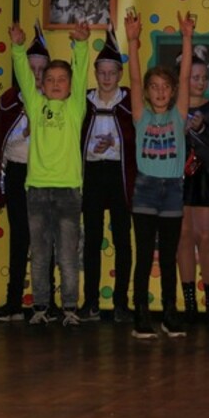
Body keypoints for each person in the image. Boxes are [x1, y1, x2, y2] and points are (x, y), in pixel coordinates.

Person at [8, 20, 90, 328]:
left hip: (68, 190)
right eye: (50, 79)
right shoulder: (36, 104)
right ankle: (41, 307)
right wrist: (18, 48)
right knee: (40, 255)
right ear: (41, 85)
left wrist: (81, 45)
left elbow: (81, 73)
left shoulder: (75, 108)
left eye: (62, 80)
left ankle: (69, 308)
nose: (55, 84)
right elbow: (23, 75)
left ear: (70, 86)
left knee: (67, 256)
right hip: (37, 190)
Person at [124, 8, 193, 339]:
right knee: (143, 255)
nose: (160, 91)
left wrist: (187, 37)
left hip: (173, 190)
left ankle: (169, 312)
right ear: (148, 93)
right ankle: (141, 312)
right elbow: (135, 80)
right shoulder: (142, 116)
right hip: (146, 188)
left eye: (166, 87)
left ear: (173, 91)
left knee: (168, 257)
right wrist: (132, 41)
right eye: (154, 87)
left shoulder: (179, 115)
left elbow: (186, 74)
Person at [0, 25, 51, 322]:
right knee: (20, 237)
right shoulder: (9, 100)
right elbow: (2, 144)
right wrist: (25, 133)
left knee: (46, 239)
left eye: (42, 69)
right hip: (19, 173)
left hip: (47, 175)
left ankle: (46, 303)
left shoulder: (56, 100)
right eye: (32, 68)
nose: (37, 74)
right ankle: (13, 301)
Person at [79, 26, 136, 323]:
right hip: (92, 174)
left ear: (120, 74)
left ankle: (121, 303)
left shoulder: (129, 102)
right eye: (102, 72)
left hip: (119, 175)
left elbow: (136, 136)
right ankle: (90, 301)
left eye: (112, 72)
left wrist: (115, 142)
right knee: (92, 239)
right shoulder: (85, 101)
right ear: (95, 73)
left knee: (122, 240)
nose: (106, 77)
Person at [178, 53, 209, 325]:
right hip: (179, 178)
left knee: (206, 237)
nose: (200, 82)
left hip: (206, 177)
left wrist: (201, 127)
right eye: (194, 77)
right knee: (184, 237)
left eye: (203, 78)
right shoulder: (174, 108)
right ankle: (189, 305)